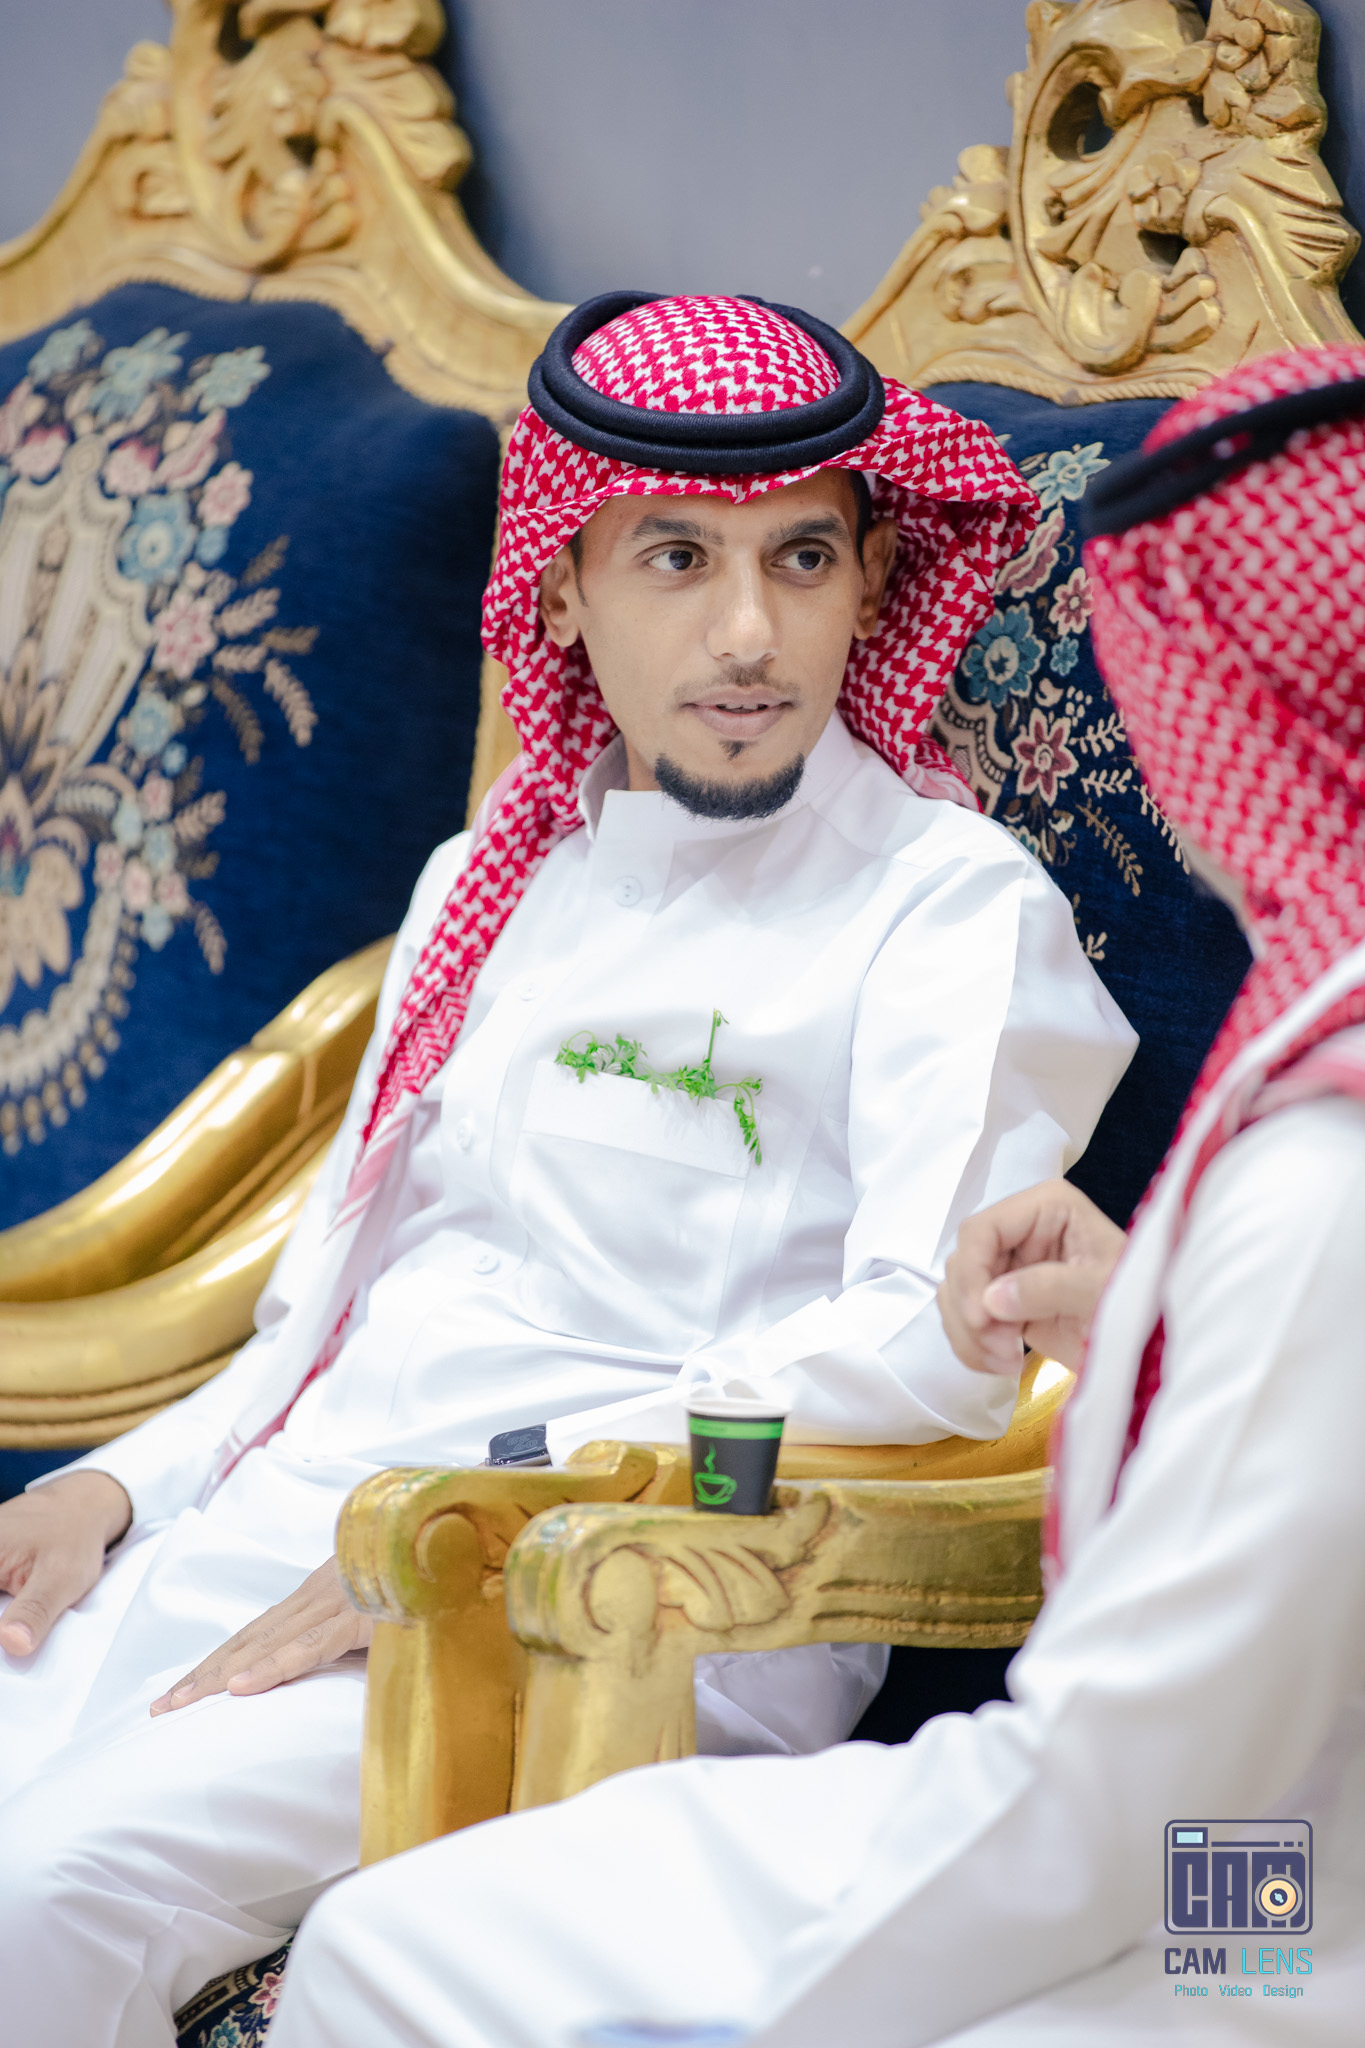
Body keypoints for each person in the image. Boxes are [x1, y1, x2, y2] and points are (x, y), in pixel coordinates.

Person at [0, 292, 1132, 2044]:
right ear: (560, 591)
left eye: (801, 560)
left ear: (868, 582)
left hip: (608, 1594)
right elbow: (334, 1311)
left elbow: (933, 1342)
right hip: (280, 1533)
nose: (748, 635)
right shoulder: (490, 879)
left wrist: (482, 1510)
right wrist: (117, 1489)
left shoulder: (944, 908)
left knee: (42, 1891)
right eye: (675, 559)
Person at [266, 341, 1365, 2048]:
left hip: (1259, 1920)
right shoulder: (1309, 1115)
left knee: (389, 1953)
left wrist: (782, 1999)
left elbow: (1147, 1794)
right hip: (1259, 1870)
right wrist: (1150, 1309)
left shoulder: (1315, 1165)